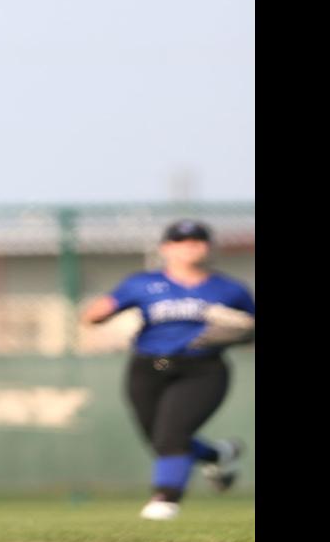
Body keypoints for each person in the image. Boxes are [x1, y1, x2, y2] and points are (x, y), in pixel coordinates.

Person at [81, 220, 255, 521]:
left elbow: (249, 327)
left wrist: (242, 332)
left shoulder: (229, 289)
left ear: (210, 247)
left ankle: (166, 499)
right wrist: (100, 312)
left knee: (173, 434)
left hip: (203, 369)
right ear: (165, 248)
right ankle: (217, 455)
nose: (189, 246)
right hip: (149, 367)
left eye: (197, 240)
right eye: (180, 240)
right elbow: (95, 314)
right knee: (159, 439)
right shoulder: (142, 284)